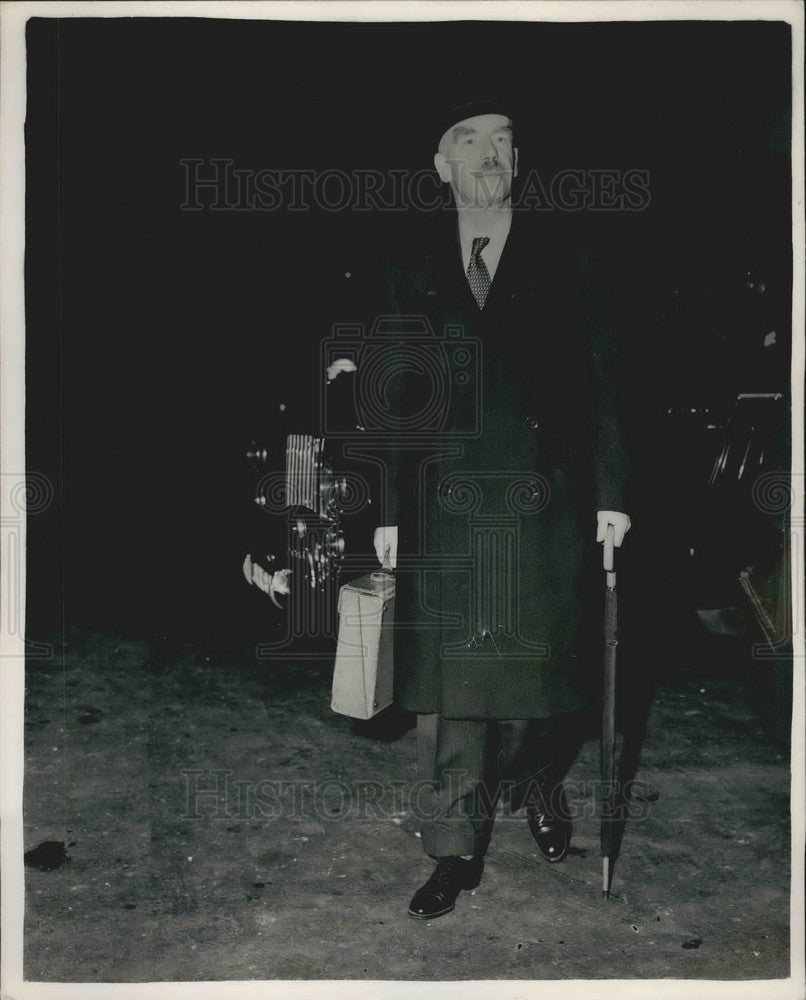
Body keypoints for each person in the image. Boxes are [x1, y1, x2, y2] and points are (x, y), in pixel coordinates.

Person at [369, 97, 631, 919]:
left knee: (538, 689)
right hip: (445, 504)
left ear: (517, 162)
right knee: (456, 694)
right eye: (471, 140)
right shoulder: (410, 262)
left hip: (544, 500)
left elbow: (606, 379)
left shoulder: (571, 253)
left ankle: (539, 780)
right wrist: (388, 507)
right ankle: (452, 852)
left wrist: (614, 496)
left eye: (504, 142)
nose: (491, 154)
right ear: (441, 165)